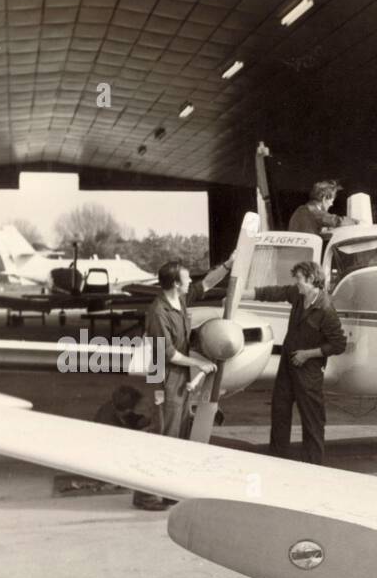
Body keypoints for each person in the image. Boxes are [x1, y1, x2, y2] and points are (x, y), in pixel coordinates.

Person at [132, 260, 218, 509]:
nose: (191, 281)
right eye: (187, 278)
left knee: (178, 435)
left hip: (177, 374)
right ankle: (144, 494)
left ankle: (168, 490)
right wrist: (198, 363)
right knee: (163, 435)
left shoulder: (178, 300)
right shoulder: (158, 312)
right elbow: (167, 354)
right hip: (163, 376)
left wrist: (230, 264)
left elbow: (205, 285)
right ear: (176, 284)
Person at [243, 261, 347, 464]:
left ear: (310, 279)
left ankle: (313, 464)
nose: (296, 284)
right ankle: (278, 460)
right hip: (287, 366)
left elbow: (339, 344)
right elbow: (275, 292)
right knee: (280, 411)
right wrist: (243, 294)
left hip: (308, 371)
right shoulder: (299, 296)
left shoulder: (325, 309)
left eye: (299, 279)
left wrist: (308, 354)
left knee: (312, 420)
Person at [287, 180, 353, 237]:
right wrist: (357, 221)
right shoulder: (312, 210)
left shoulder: (301, 210)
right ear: (324, 198)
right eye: (331, 201)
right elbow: (338, 221)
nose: (331, 204)